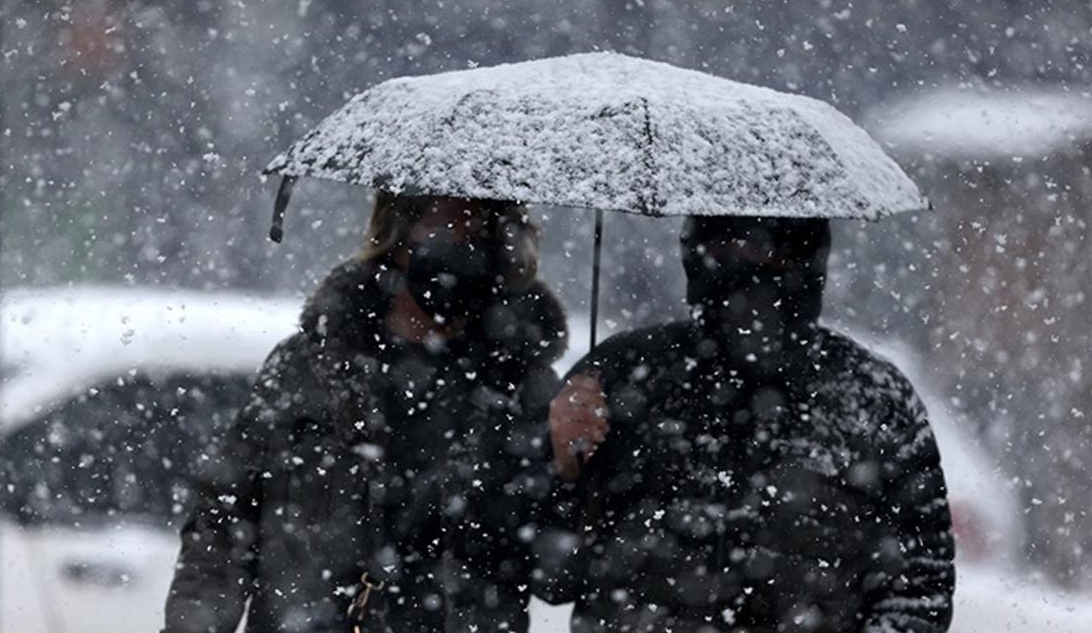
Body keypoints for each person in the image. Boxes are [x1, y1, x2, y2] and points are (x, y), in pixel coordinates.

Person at [162, 192, 568, 633]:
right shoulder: (310, 368)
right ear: (396, 237)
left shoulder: (520, 387)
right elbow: (222, 525)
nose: (468, 245)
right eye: (452, 225)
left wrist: (568, 471)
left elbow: (558, 574)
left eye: (484, 232)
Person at [539, 215, 955, 632]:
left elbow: (920, 589)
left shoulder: (873, 398)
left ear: (804, 255)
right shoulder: (621, 376)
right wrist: (562, 467)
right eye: (724, 245)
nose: (743, 264)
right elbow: (551, 577)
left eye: (764, 249)